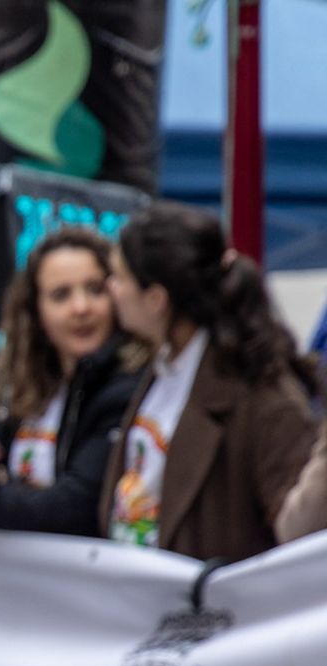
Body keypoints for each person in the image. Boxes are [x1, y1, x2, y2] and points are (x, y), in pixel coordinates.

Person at [102, 202, 315, 561]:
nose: (110, 289)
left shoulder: (262, 395)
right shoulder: (162, 368)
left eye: (119, 277)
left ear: (156, 299)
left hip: (219, 610)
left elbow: (299, 545)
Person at [0, 228, 147, 535]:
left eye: (95, 289)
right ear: (35, 312)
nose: (81, 308)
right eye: (60, 295)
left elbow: (72, 511)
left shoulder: (130, 389)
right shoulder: (26, 387)